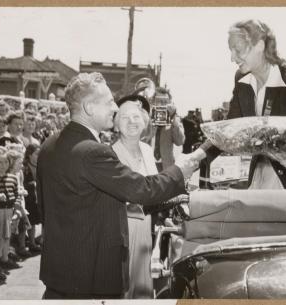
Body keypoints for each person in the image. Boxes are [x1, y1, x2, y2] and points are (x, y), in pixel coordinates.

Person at [37, 72, 197, 299]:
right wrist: (181, 172)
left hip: (59, 273)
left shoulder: (50, 144)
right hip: (90, 278)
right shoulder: (93, 151)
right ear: (90, 107)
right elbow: (143, 189)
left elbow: (44, 207)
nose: (115, 107)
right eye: (110, 102)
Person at [190, 19, 286, 189]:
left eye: (237, 49)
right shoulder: (241, 80)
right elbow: (228, 130)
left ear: (260, 45)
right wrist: (196, 156)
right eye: (230, 51)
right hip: (258, 178)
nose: (232, 58)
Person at [112, 95, 156, 298]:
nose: (132, 122)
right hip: (123, 228)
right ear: (115, 124)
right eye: (125, 117)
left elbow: (154, 187)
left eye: (136, 117)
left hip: (146, 224)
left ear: (144, 121)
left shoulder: (147, 150)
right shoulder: (110, 154)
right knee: (123, 287)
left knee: (143, 286)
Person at [0, 146, 21, 281]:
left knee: (2, 241)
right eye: (0, 162)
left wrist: (16, 210)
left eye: (6, 162)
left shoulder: (13, 178)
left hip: (7, 212)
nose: (3, 165)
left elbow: (16, 196)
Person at [151, 88, 185, 172]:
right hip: (148, 164)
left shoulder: (174, 119)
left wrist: (173, 117)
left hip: (165, 165)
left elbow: (180, 141)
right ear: (153, 102)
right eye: (159, 100)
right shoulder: (146, 117)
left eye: (165, 101)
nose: (162, 104)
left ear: (169, 103)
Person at [23, 143, 43, 252]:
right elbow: (22, 182)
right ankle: (27, 242)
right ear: (29, 155)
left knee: (34, 221)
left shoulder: (41, 165)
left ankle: (32, 242)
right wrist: (33, 183)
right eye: (36, 154)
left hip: (36, 197)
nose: (38, 157)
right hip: (27, 198)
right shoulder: (25, 167)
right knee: (27, 221)